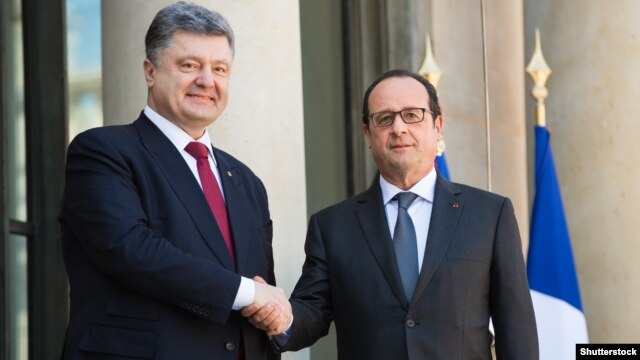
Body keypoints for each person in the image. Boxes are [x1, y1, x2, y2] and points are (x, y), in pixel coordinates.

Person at [244, 69, 538, 359]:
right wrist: (279, 315)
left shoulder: (489, 215)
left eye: (412, 115)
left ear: (438, 125)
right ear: (368, 134)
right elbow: (311, 313)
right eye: (384, 119)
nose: (398, 128)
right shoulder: (332, 227)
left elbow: (517, 331)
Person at [59, 2, 290, 359]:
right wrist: (249, 293)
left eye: (220, 69)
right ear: (150, 71)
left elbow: (260, 293)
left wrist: (271, 308)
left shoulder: (247, 182)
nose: (206, 81)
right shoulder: (103, 152)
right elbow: (131, 250)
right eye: (189, 65)